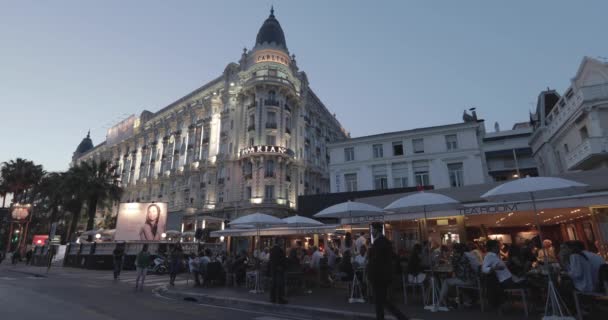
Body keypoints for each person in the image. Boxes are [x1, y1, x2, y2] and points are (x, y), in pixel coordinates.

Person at [366, 222, 409, 320]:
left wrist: (370, 274)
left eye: (372, 230)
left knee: (380, 302)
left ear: (376, 230)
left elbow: (375, 262)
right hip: (384, 276)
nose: (371, 232)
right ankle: (401, 317)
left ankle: (401, 317)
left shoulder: (378, 243)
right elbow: (392, 257)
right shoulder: (386, 242)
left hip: (378, 277)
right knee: (382, 301)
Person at [482, 240, 522, 310]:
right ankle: (535, 304)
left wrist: (506, 263)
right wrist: (494, 268)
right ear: (493, 247)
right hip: (505, 280)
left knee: (529, 279)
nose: (499, 248)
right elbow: (484, 269)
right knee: (529, 281)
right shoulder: (489, 256)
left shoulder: (495, 255)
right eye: (498, 246)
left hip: (508, 278)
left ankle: (534, 303)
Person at [439, 243, 476, 307]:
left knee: (446, 281)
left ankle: (440, 301)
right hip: (474, 279)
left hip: (466, 280)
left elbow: (451, 267)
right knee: (453, 280)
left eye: (452, 249)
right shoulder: (467, 255)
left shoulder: (456, 257)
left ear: (455, 250)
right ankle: (467, 300)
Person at [269, 238, 287, 304]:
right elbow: (281, 260)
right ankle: (280, 299)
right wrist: (281, 266)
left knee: (273, 284)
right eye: (281, 241)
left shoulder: (272, 249)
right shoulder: (279, 250)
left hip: (273, 269)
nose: (282, 242)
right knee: (280, 284)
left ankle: (272, 298)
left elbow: (271, 260)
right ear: (278, 241)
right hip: (279, 269)